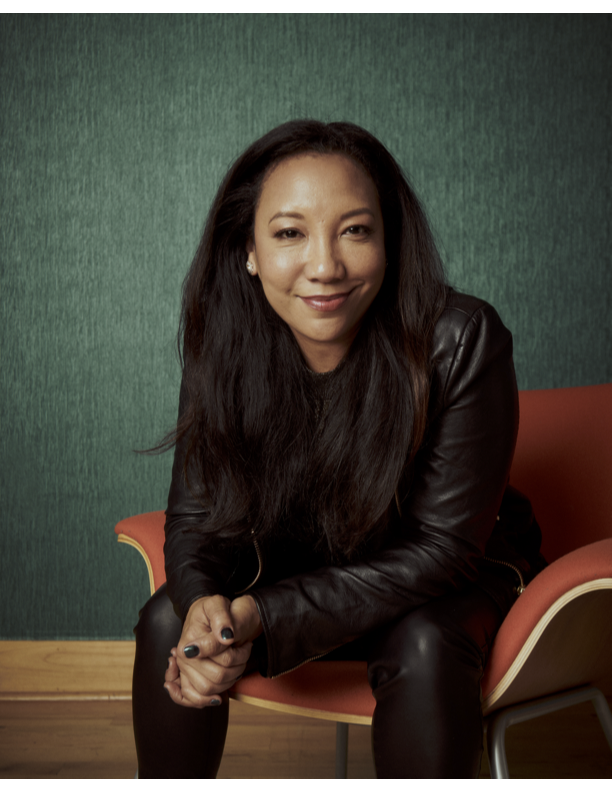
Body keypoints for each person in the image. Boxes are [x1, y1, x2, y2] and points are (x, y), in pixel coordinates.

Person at [131, 119, 544, 779]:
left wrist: (264, 614)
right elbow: (194, 518)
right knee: (167, 620)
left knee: (422, 640)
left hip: (449, 582)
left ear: (389, 240)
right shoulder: (226, 341)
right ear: (249, 250)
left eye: (354, 230)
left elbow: (443, 551)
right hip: (305, 574)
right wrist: (206, 603)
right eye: (289, 233)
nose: (325, 266)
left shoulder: (461, 338)